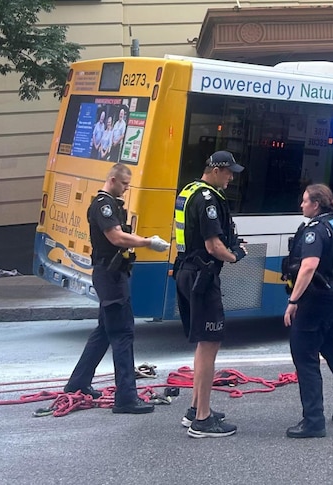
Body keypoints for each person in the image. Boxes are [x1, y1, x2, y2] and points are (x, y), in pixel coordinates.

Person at [64, 163, 171, 414]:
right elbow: (116, 237)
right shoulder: (104, 205)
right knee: (123, 334)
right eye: (124, 184)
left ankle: (77, 383)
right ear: (112, 180)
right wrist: (147, 242)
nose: (127, 188)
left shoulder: (111, 204)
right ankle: (126, 398)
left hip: (111, 274)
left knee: (104, 331)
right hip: (110, 276)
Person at [282, 184, 333, 438]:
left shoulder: (315, 231)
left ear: (316, 204)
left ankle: (313, 422)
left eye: (305, 201)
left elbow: (308, 266)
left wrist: (294, 301)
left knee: (305, 356)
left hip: (317, 297)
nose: (301, 205)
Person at [174, 150, 247, 438]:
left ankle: (195, 408)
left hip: (186, 272)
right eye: (229, 172)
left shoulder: (188, 191)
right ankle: (202, 420)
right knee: (210, 343)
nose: (231, 177)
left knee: (203, 343)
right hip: (202, 276)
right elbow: (213, 246)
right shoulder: (207, 200)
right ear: (216, 169)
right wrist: (236, 255)